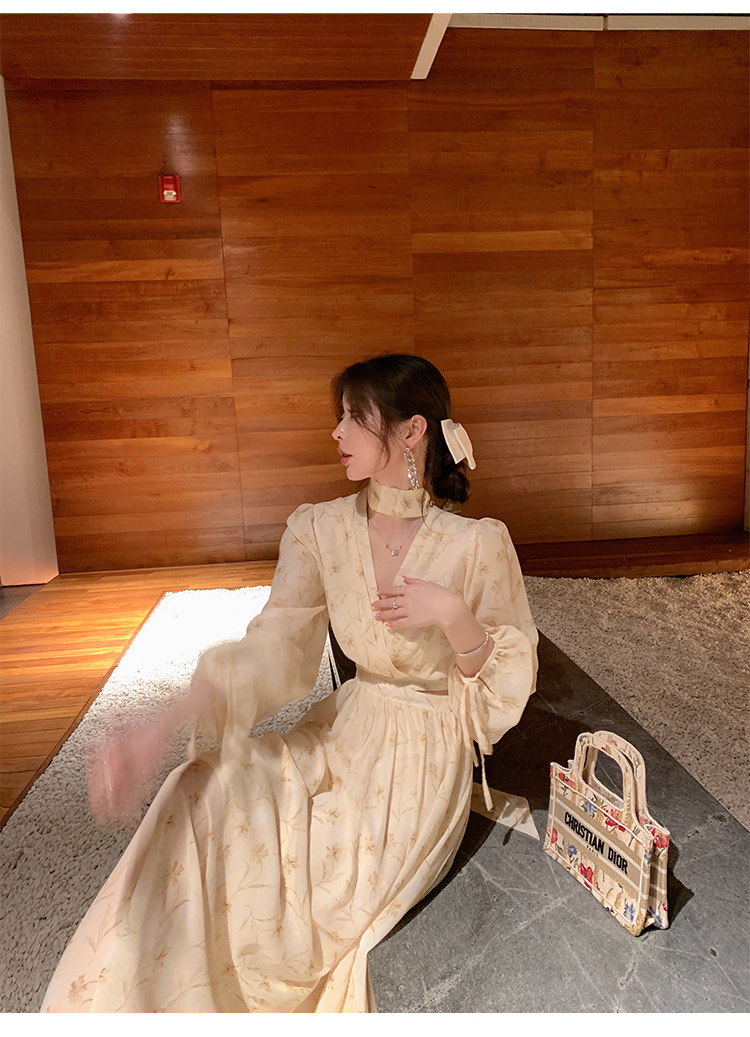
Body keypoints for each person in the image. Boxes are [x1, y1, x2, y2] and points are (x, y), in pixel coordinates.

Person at [41, 353, 538, 1013]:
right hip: (343, 731)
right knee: (200, 789)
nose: (337, 432)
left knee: (304, 912)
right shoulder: (320, 528)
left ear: (412, 430)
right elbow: (272, 649)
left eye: (354, 417)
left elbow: (499, 696)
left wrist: (454, 615)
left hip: (420, 761)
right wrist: (158, 728)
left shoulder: (478, 544)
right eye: (339, 417)